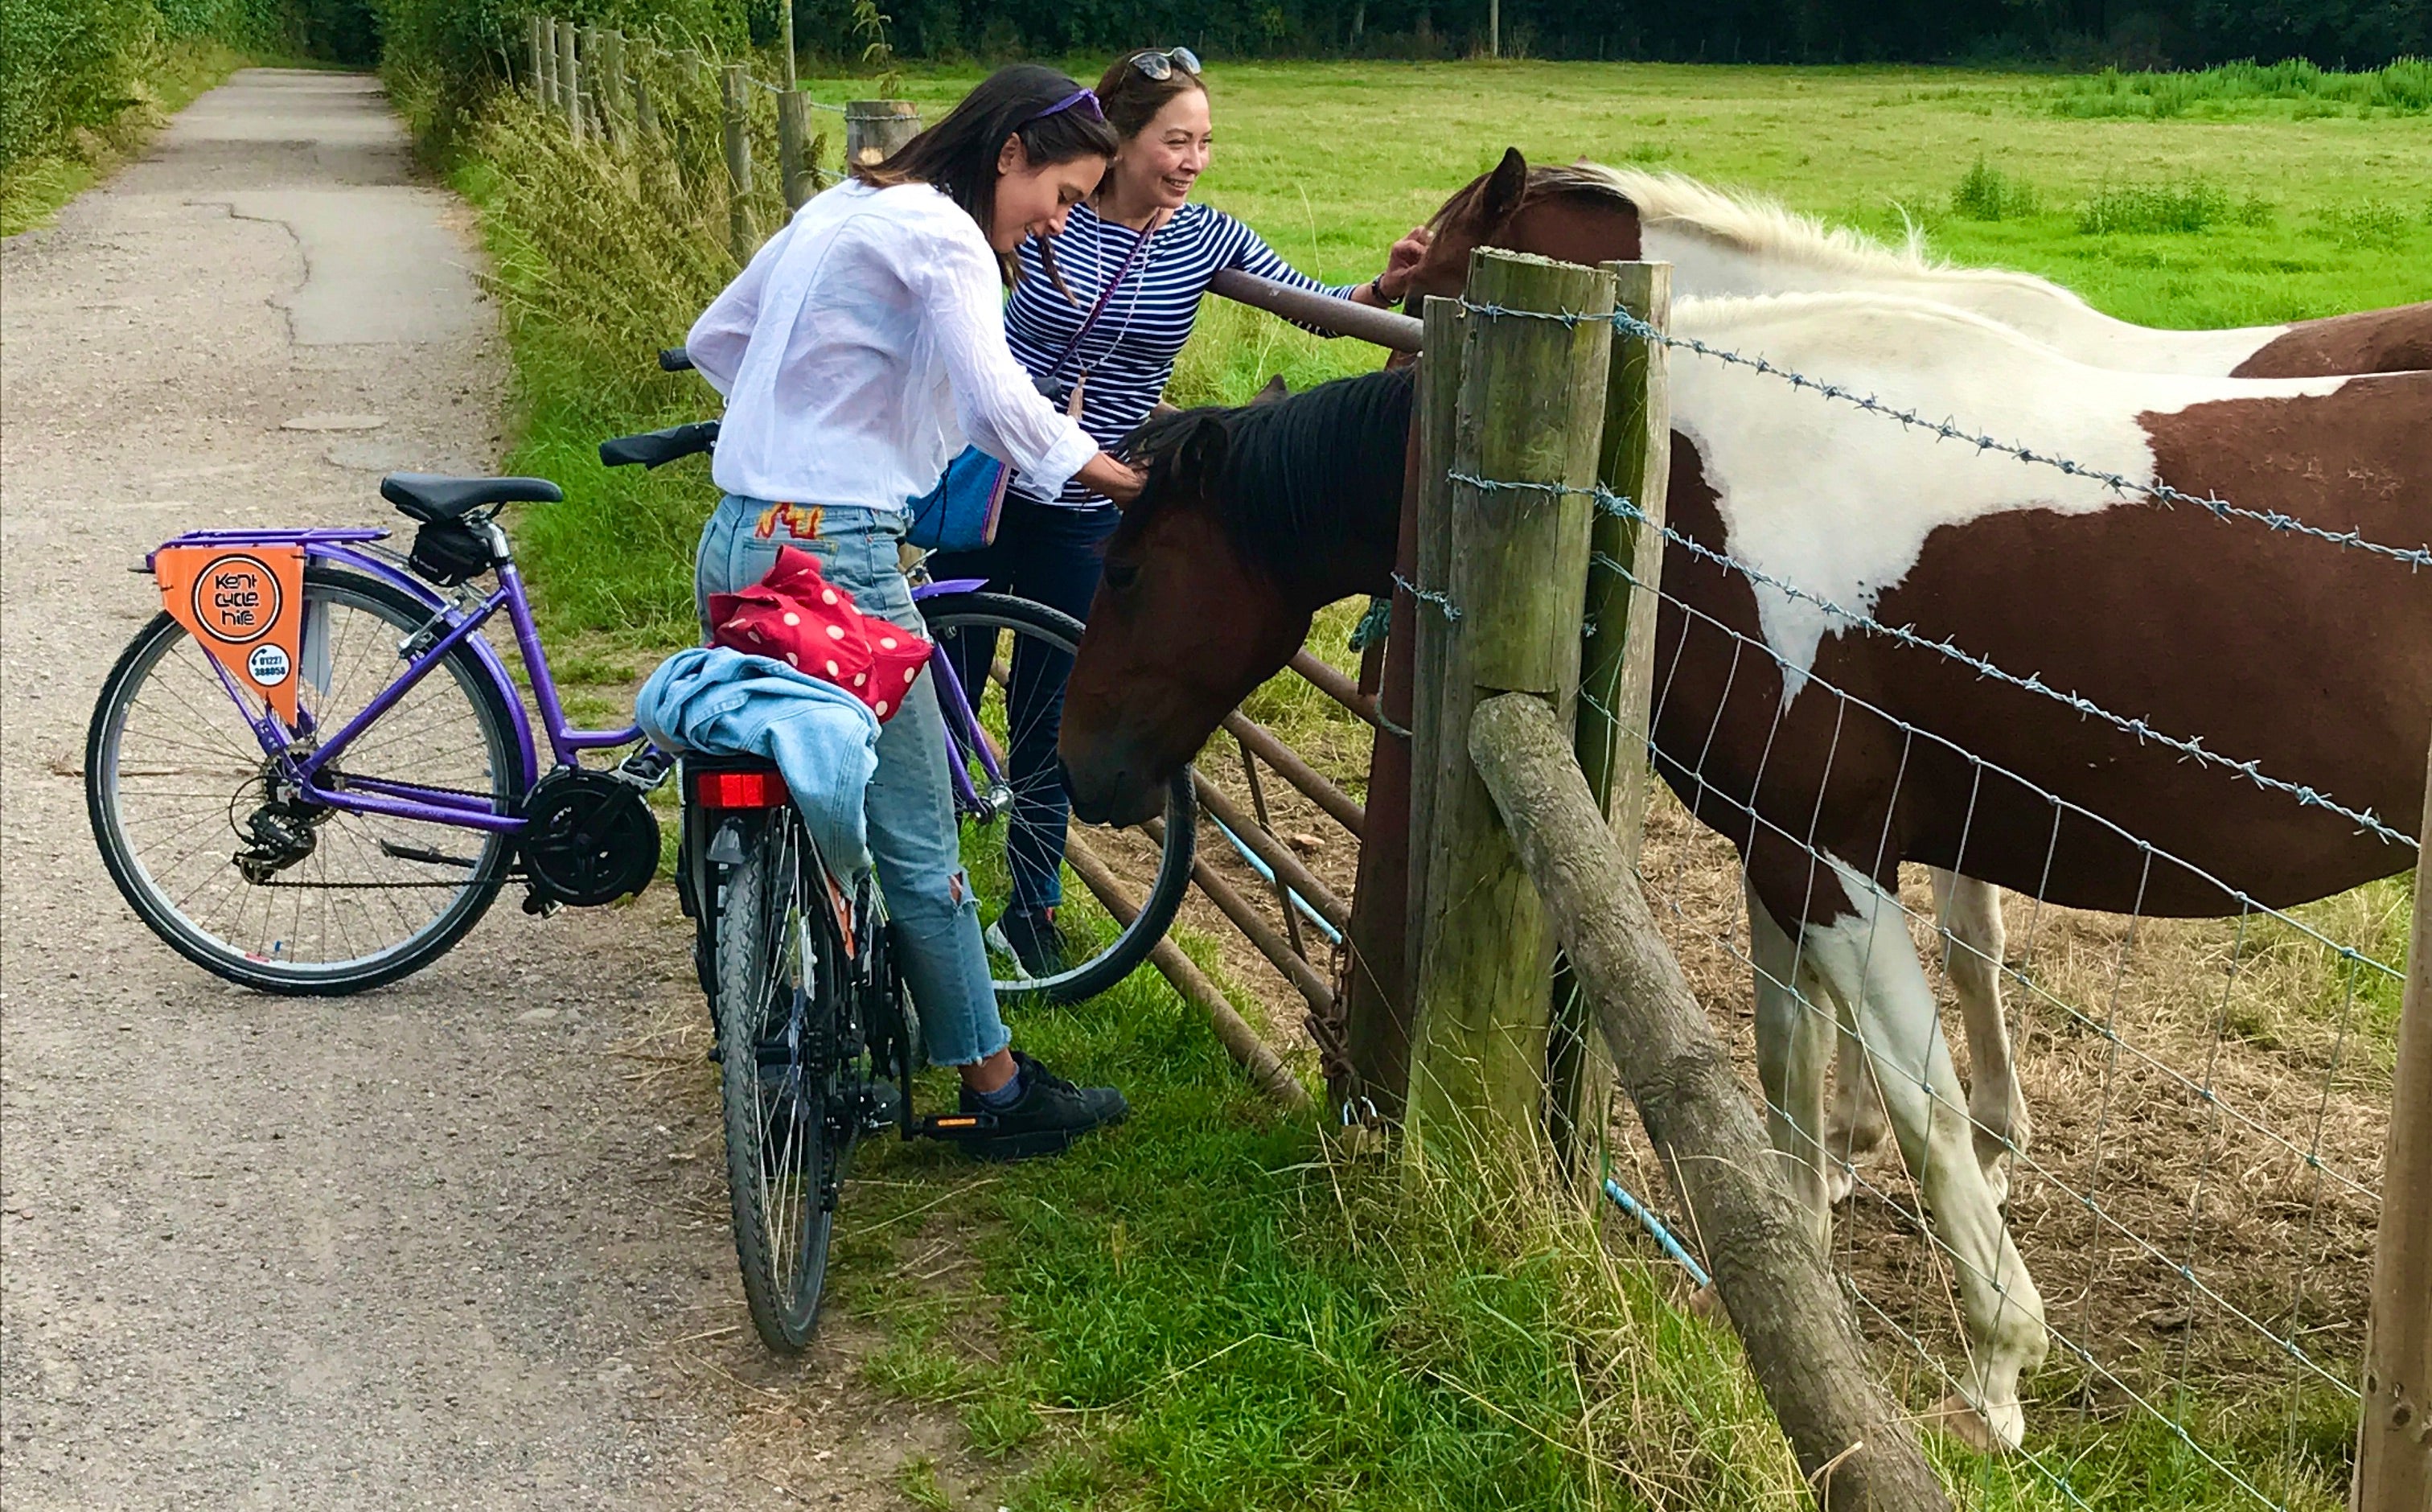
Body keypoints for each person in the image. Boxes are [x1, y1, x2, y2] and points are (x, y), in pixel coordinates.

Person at [683, 65, 1144, 1161]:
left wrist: (810, 419)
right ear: (1010, 155)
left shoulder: (839, 208)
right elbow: (997, 397)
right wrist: (1120, 480)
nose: (1058, 223)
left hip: (741, 534)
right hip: (840, 558)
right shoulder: (944, 237)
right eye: (1064, 196)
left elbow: (716, 340)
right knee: (915, 835)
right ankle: (991, 1085)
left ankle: (765, 1011)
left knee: (762, 779)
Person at [931, 46, 1431, 976]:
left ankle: (1030, 907)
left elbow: (1317, 308)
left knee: (1050, 702)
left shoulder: (1204, 239)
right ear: (1118, 142)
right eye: (1176, 139)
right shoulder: (1051, 216)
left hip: (1098, 498)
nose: (1193, 159)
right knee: (942, 687)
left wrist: (1387, 290)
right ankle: (917, 890)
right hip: (989, 480)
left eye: (1205, 142)